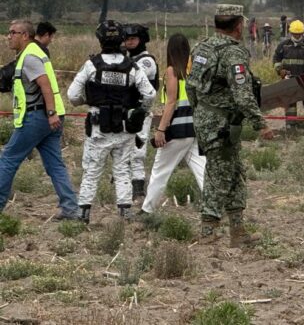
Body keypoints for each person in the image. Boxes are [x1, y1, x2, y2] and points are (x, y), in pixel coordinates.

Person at [186, 4, 269, 247]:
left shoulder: (201, 48)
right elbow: (243, 94)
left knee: (233, 173)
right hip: (222, 123)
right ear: (239, 25)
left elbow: (191, 86)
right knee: (218, 175)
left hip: (207, 118)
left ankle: (238, 230)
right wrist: (260, 123)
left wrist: (200, 112)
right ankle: (208, 231)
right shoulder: (233, 53)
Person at [68, 21, 156, 223]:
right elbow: (150, 94)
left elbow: (72, 95)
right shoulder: (132, 67)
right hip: (124, 127)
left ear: (100, 39)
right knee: (122, 168)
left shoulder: (92, 65)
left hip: (98, 128)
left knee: (92, 170)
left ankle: (84, 213)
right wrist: (141, 110)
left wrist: (88, 101)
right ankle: (125, 212)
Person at [0, 20, 78, 220]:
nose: (8, 36)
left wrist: (50, 114)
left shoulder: (30, 57)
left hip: (37, 116)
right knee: (55, 165)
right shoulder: (33, 53)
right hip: (49, 118)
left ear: (25, 35)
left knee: (8, 159)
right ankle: (70, 209)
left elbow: (44, 85)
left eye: (13, 33)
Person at [139, 34, 205, 215]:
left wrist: (161, 130)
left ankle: (147, 210)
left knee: (160, 170)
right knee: (202, 169)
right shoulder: (195, 72)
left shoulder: (172, 71)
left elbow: (171, 103)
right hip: (195, 128)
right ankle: (216, 206)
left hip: (177, 129)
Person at [123, 23, 159, 201]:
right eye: (126, 39)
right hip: (125, 112)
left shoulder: (146, 61)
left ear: (141, 40)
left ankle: (138, 190)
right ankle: (125, 187)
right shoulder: (127, 59)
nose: (129, 42)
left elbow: (132, 79)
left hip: (140, 113)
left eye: (133, 39)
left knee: (137, 153)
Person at [272, 19, 304, 128]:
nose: (297, 36)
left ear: (303, 33)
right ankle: (291, 125)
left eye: (299, 34)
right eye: (295, 34)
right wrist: (280, 70)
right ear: (291, 33)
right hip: (289, 79)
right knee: (290, 104)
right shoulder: (283, 45)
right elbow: (276, 58)